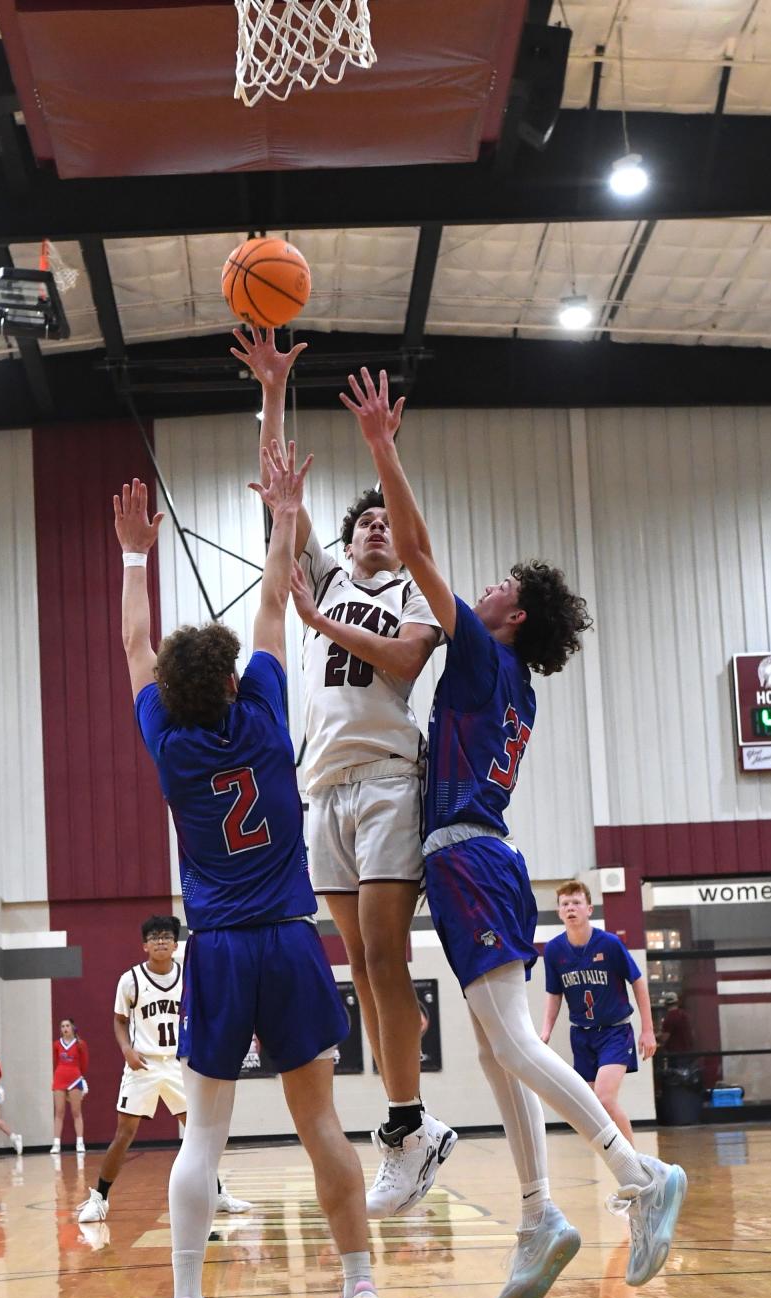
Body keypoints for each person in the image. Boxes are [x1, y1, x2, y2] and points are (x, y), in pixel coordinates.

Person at [337, 365, 687, 1298]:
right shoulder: (506, 681)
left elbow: (411, 547)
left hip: (471, 855)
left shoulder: (486, 657)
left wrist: (381, 446)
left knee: (513, 1044)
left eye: (494, 585)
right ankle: (538, 1215)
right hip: (467, 857)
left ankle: (638, 1177)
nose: (478, 587)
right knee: (497, 1053)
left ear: (511, 615)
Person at [115, 445, 389, 1298]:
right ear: (232, 684)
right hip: (290, 938)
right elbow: (274, 599)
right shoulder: (267, 713)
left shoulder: (170, 746)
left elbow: (133, 649)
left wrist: (130, 556)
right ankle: (359, 1296)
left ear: (174, 699)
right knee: (322, 1127)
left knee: (203, 1134)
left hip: (221, 950)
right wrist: (284, 512)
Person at [232, 326, 455, 1219]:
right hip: (320, 786)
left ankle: (407, 1122)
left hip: (388, 778)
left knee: (389, 958)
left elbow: (402, 666)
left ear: (394, 545)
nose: (370, 530)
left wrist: (321, 629)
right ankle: (411, 1122)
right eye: (361, 522)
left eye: (380, 525)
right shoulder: (321, 578)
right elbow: (280, 494)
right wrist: (276, 390)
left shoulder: (413, 593)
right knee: (359, 967)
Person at [75, 916, 250, 1220]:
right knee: (125, 1132)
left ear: (175, 943)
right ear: (144, 945)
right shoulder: (130, 979)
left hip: (178, 1064)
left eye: (166, 936)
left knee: (199, 1132)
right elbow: (119, 1020)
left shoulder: (186, 976)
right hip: (142, 1064)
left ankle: (218, 1194)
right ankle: (99, 1197)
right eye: (154, 937)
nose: (160, 941)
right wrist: (126, 1049)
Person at [540, 880, 656, 1146]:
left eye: (576, 903)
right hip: (581, 1035)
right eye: (565, 904)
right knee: (593, 1108)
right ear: (559, 912)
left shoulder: (610, 944)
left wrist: (647, 1030)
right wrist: (545, 1031)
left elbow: (638, 982)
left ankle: (635, 1163)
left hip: (615, 1031)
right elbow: (554, 993)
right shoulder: (554, 950)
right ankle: (621, 1164)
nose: (571, 908)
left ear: (589, 909)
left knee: (604, 1098)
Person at [51, 1017, 89, 1155]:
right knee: (59, 1112)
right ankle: (56, 1144)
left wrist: (80, 1077)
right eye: (62, 1026)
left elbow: (84, 1064)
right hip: (60, 1078)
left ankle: (80, 1142)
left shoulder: (80, 1044)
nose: (65, 1028)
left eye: (67, 1026)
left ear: (73, 1028)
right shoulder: (56, 1044)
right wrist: (58, 1076)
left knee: (76, 1112)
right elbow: (55, 1062)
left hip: (74, 1078)